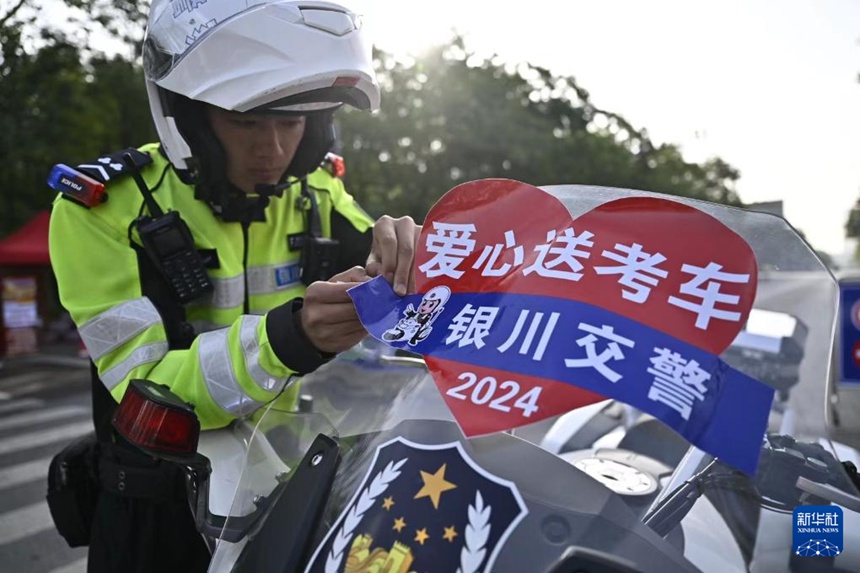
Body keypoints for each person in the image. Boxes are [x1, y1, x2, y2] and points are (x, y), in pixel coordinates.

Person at [46, 1, 419, 571]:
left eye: (292, 123)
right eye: (246, 123)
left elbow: (386, 261)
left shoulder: (316, 190)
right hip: (156, 507)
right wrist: (291, 337)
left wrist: (417, 248)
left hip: (287, 486)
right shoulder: (100, 209)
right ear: (189, 117)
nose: (272, 150)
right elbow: (146, 384)